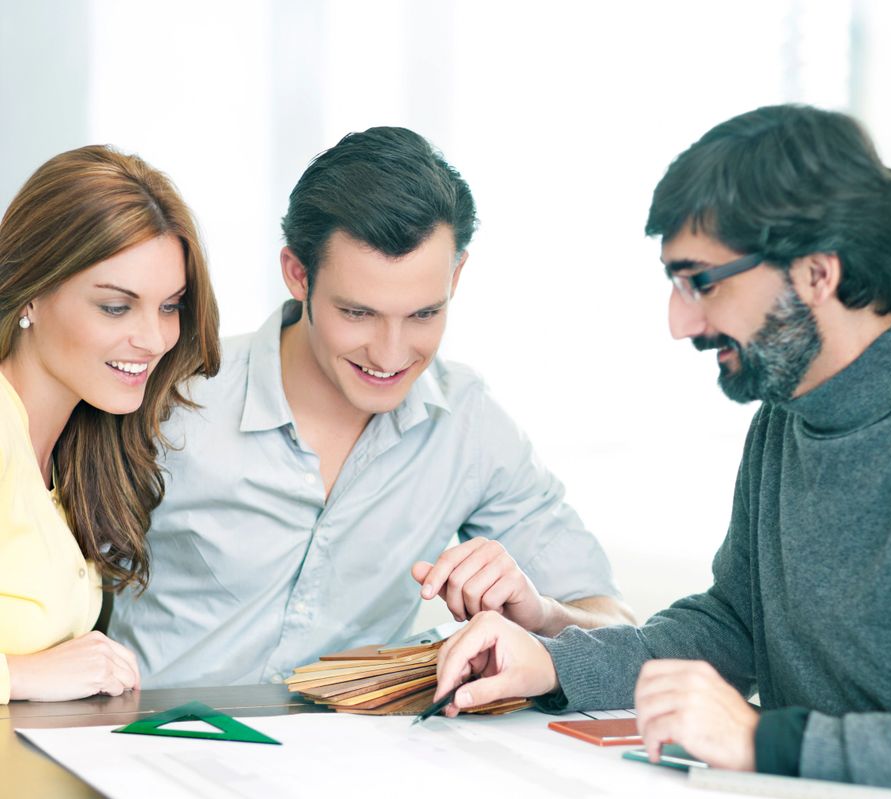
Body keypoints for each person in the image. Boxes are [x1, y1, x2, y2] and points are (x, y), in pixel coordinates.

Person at [434, 104, 891, 798]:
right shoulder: (788, 414)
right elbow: (732, 629)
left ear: (818, 274)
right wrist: (554, 664)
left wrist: (766, 740)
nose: (681, 323)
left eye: (701, 281)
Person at [109, 126, 633, 687]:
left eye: (424, 315)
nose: (390, 354)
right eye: (358, 313)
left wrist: (542, 615)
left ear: (455, 278)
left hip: (352, 761)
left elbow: (620, 634)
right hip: (147, 747)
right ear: (297, 275)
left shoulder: (470, 428)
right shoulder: (169, 398)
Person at [0, 145, 221, 703]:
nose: (152, 339)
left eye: (169, 306)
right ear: (31, 293)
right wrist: (22, 677)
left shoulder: (80, 445)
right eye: (116, 307)